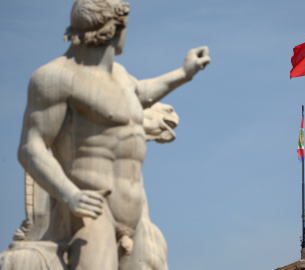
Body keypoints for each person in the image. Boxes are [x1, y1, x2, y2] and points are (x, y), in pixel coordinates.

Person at [15, 0, 210, 268]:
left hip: (135, 218)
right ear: (118, 28)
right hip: (92, 214)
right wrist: (70, 195)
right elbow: (31, 148)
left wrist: (184, 73)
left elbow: (141, 92)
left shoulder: (120, 76)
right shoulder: (54, 78)